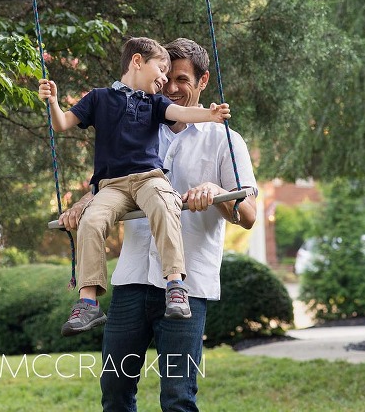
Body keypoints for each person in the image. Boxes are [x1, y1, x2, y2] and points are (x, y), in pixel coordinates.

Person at [57, 37, 258, 411]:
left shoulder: (224, 140)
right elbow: (111, 182)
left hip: (187, 287)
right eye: (165, 77)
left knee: (178, 398)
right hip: (131, 281)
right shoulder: (141, 123)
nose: (171, 86)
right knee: (115, 394)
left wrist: (216, 191)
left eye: (181, 78)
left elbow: (248, 216)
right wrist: (86, 201)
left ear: (202, 81)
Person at [38, 37, 230, 337]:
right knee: (91, 220)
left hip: (149, 178)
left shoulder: (155, 103)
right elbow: (61, 124)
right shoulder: (98, 98)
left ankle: (175, 285)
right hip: (111, 185)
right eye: (161, 69)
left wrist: (211, 115)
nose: (165, 79)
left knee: (165, 205)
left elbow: (182, 114)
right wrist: (52, 102)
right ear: (137, 62)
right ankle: (88, 302)